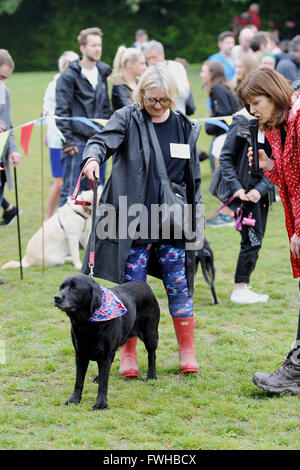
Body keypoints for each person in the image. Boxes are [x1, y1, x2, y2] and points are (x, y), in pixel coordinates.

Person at [80, 63, 203, 376]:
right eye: (151, 100)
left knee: (180, 286)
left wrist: (196, 217)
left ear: (173, 97)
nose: (157, 106)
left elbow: (193, 180)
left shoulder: (184, 126)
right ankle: (128, 355)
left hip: (173, 222)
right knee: (132, 288)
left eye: (164, 100)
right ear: (141, 95)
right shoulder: (127, 118)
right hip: (133, 219)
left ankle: (187, 353)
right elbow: (100, 140)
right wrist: (93, 157)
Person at [238, 67, 300, 393]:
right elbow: (291, 181)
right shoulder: (277, 127)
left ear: (274, 94)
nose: (252, 111)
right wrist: (270, 167)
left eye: (256, 102)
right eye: (248, 105)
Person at [219, 106, 275, 303]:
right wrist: (236, 188)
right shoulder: (241, 122)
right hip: (242, 192)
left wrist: (261, 189)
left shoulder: (276, 124)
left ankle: (242, 285)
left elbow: (278, 162)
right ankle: (239, 288)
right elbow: (226, 157)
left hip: (261, 192)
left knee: (255, 238)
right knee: (252, 239)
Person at [55, 27, 112, 206]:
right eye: (93, 45)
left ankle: (91, 234)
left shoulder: (103, 73)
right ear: (82, 48)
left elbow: (105, 108)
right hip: (77, 143)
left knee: (95, 194)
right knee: (72, 196)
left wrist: (105, 137)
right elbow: (61, 111)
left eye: (99, 45)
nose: (97, 49)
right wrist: (68, 143)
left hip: (98, 143)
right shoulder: (68, 76)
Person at [200, 60, 237, 227]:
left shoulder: (218, 89)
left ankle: (228, 213)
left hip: (224, 138)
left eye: (204, 71)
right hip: (223, 137)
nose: (201, 74)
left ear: (212, 73)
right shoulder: (220, 89)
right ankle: (228, 211)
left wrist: (209, 125)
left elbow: (224, 114)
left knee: (222, 175)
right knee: (220, 175)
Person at [43, 50, 79, 219]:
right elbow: (48, 112)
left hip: (73, 139)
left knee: (73, 184)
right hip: (58, 140)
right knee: (60, 183)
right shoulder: (55, 85)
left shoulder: (77, 84)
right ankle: (49, 219)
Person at [0, 49, 22, 227]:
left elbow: (8, 124)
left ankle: (9, 209)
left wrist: (13, 149)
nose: (2, 82)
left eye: (5, 78)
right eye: (0, 76)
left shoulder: (3, 91)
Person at [144, 40, 190, 114]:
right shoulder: (146, 71)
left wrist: (165, 84)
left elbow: (185, 93)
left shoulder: (177, 67)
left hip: (176, 115)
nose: (151, 62)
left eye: (154, 57)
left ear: (162, 54)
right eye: (148, 59)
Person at [111, 45, 147, 111]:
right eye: (142, 64)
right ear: (129, 64)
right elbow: (130, 110)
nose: (145, 67)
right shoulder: (118, 84)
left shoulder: (141, 83)